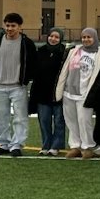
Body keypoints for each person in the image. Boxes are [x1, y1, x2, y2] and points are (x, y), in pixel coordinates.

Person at [0, 13, 38, 157]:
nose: (9, 28)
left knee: (20, 117)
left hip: (18, 86)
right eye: (7, 25)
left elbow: (33, 63)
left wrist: (25, 80)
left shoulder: (27, 43)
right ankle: (3, 144)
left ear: (20, 27)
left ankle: (17, 145)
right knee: (0, 117)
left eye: (13, 26)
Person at [55, 27, 100, 159]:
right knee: (71, 120)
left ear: (94, 38)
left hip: (85, 93)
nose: (86, 40)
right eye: (84, 37)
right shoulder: (74, 51)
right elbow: (65, 69)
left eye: (89, 37)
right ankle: (75, 146)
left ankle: (87, 146)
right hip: (69, 91)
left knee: (84, 120)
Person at [31, 28, 67, 156]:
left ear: (60, 39)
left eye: (57, 37)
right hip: (42, 92)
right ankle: (46, 145)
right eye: (51, 36)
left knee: (59, 121)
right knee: (44, 121)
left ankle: (56, 146)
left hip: (58, 93)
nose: (53, 39)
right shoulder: (41, 51)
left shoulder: (65, 53)